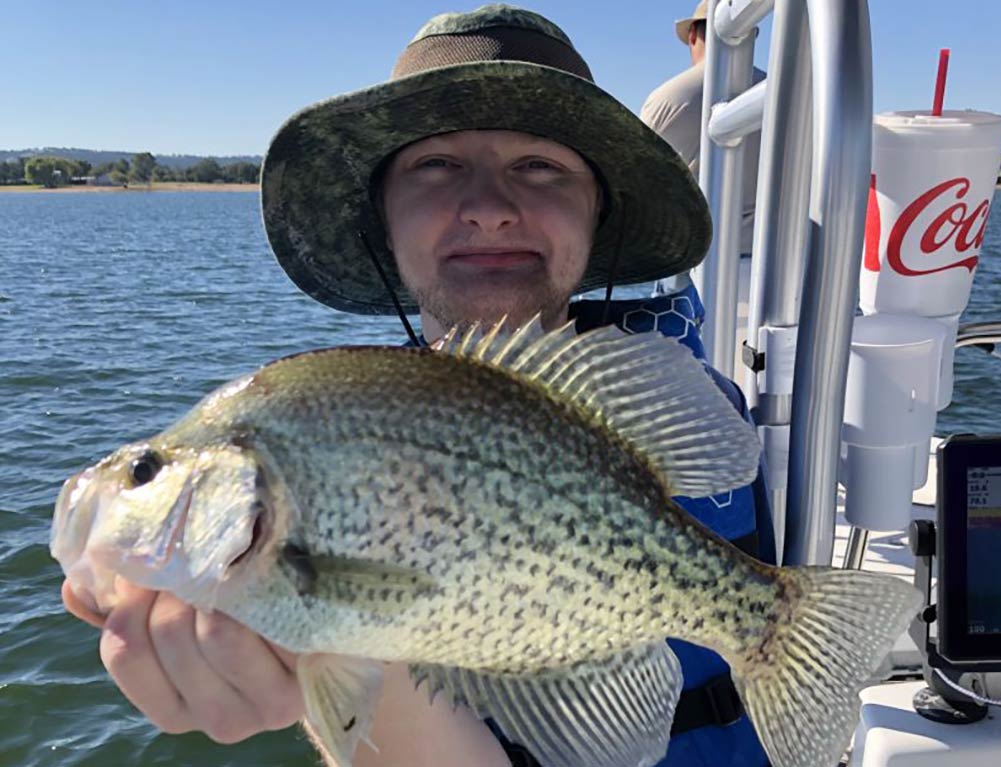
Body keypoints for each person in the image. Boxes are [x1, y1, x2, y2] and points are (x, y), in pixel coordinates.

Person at [62, 6, 774, 766]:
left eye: (540, 166)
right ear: (382, 217)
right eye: (435, 166)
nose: (491, 209)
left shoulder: (666, 404)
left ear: (597, 211)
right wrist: (319, 655)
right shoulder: (321, 426)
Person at [640, 0, 765, 258]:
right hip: (776, 261)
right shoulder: (781, 92)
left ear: (693, 35)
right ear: (751, 35)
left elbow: (641, 188)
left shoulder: (669, 98)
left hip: (696, 260)